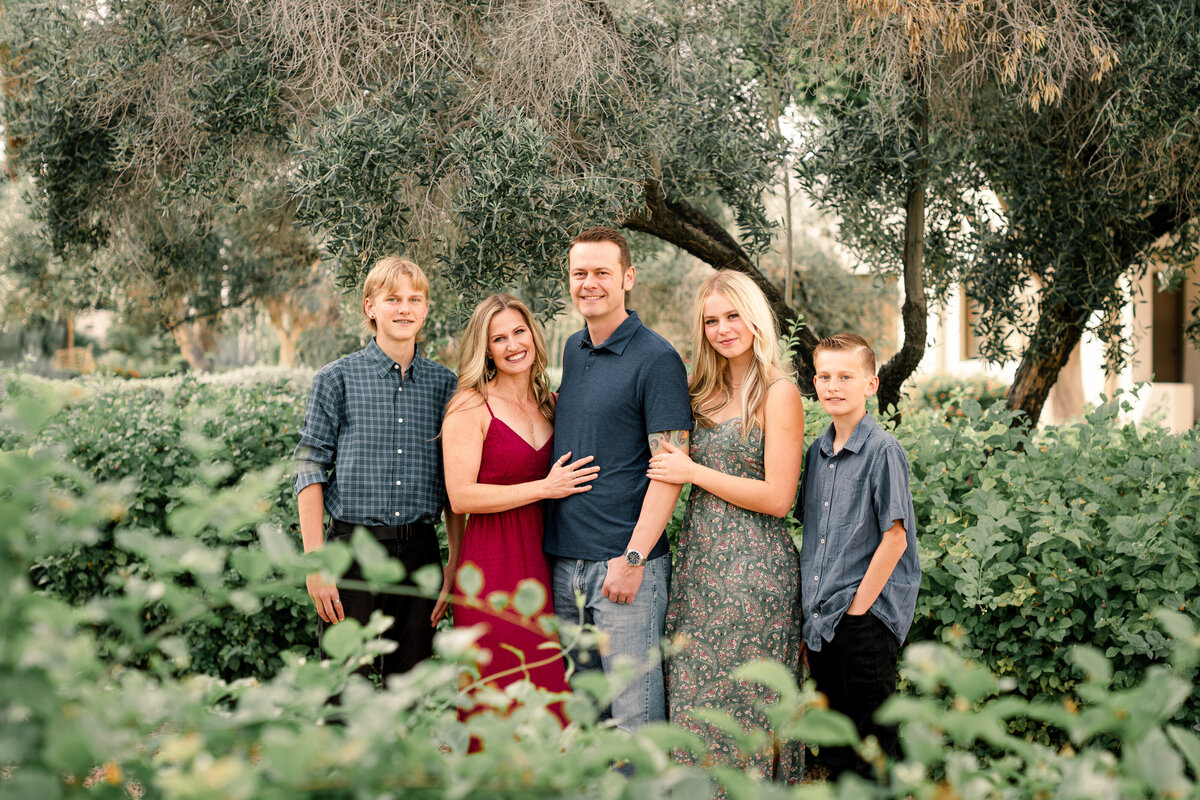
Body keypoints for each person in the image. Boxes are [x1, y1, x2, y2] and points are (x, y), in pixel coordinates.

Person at [647, 270, 806, 790]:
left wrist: (693, 473)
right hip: (699, 571)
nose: (722, 329)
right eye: (711, 320)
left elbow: (779, 498)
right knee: (693, 700)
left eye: (733, 315)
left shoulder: (779, 394)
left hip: (755, 575)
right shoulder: (697, 393)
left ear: (755, 317)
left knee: (749, 706)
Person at [544, 226, 694, 732]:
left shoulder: (657, 359)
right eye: (579, 273)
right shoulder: (572, 348)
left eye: (602, 272)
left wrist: (632, 559)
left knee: (635, 720)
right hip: (566, 566)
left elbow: (669, 470)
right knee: (587, 719)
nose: (589, 283)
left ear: (627, 277)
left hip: (625, 570)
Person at [294, 257, 465, 683]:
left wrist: (453, 564)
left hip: (419, 553)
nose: (405, 308)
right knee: (343, 689)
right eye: (393, 299)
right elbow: (309, 470)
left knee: (408, 691)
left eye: (414, 299)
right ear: (371, 307)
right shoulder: (337, 379)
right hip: (350, 552)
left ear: (426, 309)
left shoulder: (445, 386)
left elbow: (453, 487)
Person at [441, 294, 597, 708]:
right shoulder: (470, 405)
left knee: (551, 690)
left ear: (533, 334)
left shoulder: (551, 404)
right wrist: (543, 488)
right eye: (499, 339)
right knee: (496, 690)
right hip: (492, 565)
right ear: (485, 349)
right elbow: (460, 496)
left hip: (549, 561)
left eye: (519, 332)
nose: (513, 346)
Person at [798, 333, 919, 780]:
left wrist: (857, 610)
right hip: (822, 619)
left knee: (873, 742)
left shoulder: (883, 451)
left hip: (863, 618)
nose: (834, 385)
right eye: (825, 376)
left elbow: (895, 538)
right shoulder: (817, 452)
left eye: (846, 376)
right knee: (835, 741)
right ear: (814, 383)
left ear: (870, 384)